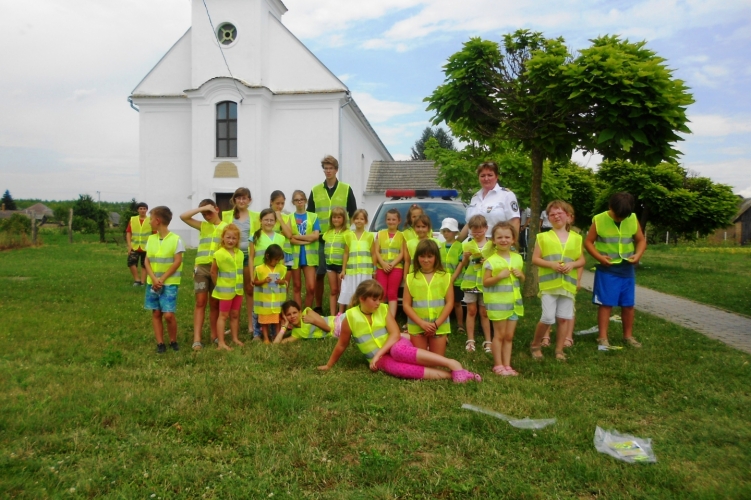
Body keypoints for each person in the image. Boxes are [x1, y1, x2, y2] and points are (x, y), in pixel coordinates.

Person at [317, 280, 481, 383]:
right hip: (380, 359)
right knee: (398, 368)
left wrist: (378, 354)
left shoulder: (383, 309)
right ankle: (451, 375)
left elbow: (395, 334)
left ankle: (452, 363)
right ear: (362, 299)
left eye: (380, 299)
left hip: (394, 345)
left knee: (398, 351)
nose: (378, 303)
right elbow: (342, 344)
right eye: (374, 299)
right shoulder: (350, 317)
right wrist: (329, 365)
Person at [584, 192, 647, 348]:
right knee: (606, 304)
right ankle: (602, 337)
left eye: (623, 216)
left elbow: (640, 240)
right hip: (607, 269)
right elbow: (588, 242)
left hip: (627, 269)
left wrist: (638, 254)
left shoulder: (632, 218)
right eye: (617, 215)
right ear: (610, 207)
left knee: (628, 304)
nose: (620, 218)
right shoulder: (599, 220)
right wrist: (599, 257)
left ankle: (628, 336)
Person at [307, 155, 357, 313]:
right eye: (325, 168)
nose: (328, 171)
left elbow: (353, 212)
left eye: (331, 168)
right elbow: (310, 215)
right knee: (319, 274)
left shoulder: (346, 189)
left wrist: (347, 232)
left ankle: (343, 308)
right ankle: (318, 306)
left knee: (342, 275)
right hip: (321, 239)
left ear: (336, 170)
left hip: (341, 239)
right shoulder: (315, 190)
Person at [179, 200, 227, 350]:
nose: (207, 216)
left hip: (217, 269)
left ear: (217, 209)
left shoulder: (226, 227)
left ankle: (214, 335)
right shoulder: (203, 226)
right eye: (204, 214)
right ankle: (197, 339)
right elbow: (183, 217)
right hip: (201, 268)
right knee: (200, 302)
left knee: (214, 303)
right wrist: (202, 208)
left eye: (209, 213)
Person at [483, 222, 525, 375]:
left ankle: (507, 365)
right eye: (499, 237)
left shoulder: (518, 258)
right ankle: (498, 365)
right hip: (498, 304)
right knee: (499, 335)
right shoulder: (490, 261)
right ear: (493, 240)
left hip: (514, 303)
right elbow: (485, 283)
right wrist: (498, 277)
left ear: (513, 239)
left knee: (509, 336)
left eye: (507, 237)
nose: (503, 240)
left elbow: (522, 279)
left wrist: (521, 275)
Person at [143, 206, 184, 353]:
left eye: (151, 219)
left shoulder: (176, 240)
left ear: (158, 220)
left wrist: (162, 279)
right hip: (153, 283)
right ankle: (160, 343)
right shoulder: (151, 239)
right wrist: (154, 279)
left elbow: (177, 261)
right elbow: (147, 261)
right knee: (156, 313)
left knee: (168, 315)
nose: (149, 222)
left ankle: (173, 340)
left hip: (169, 283)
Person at [403, 240, 454, 356]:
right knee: (421, 361)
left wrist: (436, 325)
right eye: (422, 256)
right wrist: (422, 323)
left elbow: (450, 303)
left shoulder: (445, 277)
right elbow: (406, 305)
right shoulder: (410, 278)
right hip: (417, 326)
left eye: (430, 256)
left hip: (439, 327)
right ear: (417, 257)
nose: (426, 260)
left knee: (436, 360)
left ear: (436, 257)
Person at [222, 188, 259, 335]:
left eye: (244, 198)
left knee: (249, 290)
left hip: (249, 257)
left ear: (249, 200)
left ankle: (251, 324)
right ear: (234, 200)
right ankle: (233, 325)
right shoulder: (226, 215)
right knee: (232, 291)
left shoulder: (255, 216)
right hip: (232, 257)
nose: (242, 201)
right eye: (239, 198)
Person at [458, 161, 520, 241]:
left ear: (496, 177)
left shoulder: (507, 195)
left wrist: (513, 243)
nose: (486, 178)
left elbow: (515, 221)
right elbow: (469, 224)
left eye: (490, 175)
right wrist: (456, 243)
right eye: (482, 176)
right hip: (473, 243)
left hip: (496, 243)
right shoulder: (475, 197)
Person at [460, 214, 492, 353]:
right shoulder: (467, 245)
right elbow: (464, 264)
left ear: (486, 228)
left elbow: (497, 262)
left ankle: (488, 340)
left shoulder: (492, 245)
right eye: (474, 231)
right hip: (470, 283)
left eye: (480, 231)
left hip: (485, 284)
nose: (477, 234)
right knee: (471, 311)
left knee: (484, 312)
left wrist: (488, 262)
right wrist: (465, 258)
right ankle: (470, 339)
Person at [211, 224, 245, 350]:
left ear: (237, 240)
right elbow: (213, 272)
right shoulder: (219, 254)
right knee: (223, 315)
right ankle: (221, 342)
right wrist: (219, 286)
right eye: (228, 237)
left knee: (235, 314)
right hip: (225, 292)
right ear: (223, 238)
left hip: (238, 290)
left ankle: (235, 338)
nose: (231, 240)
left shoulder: (240, 254)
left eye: (234, 238)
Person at [339, 209, 376, 312]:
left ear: (366, 221)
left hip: (365, 271)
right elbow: (346, 253)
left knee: (364, 292)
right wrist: (343, 270)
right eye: (357, 218)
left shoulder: (369, 236)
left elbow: (373, 254)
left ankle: (363, 312)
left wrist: (374, 269)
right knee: (351, 292)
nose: (359, 221)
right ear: (353, 220)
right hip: (352, 271)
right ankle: (350, 313)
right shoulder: (348, 236)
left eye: (362, 219)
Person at [289, 190, 320, 309]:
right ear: (293, 202)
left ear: (305, 201)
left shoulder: (313, 216)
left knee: (311, 287)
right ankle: (298, 314)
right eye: (296, 200)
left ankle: (307, 312)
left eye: (301, 199)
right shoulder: (289, 217)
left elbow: (315, 236)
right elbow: (290, 238)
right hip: (295, 256)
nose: (299, 202)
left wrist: (298, 237)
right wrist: (307, 240)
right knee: (297, 286)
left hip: (309, 257)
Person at [374, 208, 406, 318]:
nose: (391, 222)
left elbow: (402, 253)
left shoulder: (402, 235)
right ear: (385, 220)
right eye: (389, 219)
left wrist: (392, 264)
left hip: (396, 267)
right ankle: (380, 317)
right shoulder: (380, 234)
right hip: (381, 267)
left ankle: (391, 318)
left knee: (392, 293)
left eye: (393, 219)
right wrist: (383, 264)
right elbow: (376, 251)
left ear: (399, 221)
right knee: (381, 292)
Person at [253, 244, 288, 343]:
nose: (277, 262)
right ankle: (266, 338)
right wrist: (264, 280)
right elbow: (255, 282)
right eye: (275, 259)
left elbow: (284, 281)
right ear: (268, 256)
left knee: (276, 321)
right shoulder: (259, 269)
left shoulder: (281, 268)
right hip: (264, 302)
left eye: (279, 260)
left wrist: (280, 281)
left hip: (276, 302)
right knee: (264, 321)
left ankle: (276, 336)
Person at [273, 300, 343, 344]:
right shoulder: (296, 333)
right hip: (338, 333)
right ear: (285, 317)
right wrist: (284, 326)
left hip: (339, 322)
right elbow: (276, 344)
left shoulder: (308, 312)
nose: (292, 316)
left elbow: (328, 329)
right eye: (288, 314)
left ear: (300, 312)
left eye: (295, 313)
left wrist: (312, 321)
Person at [322, 207, 350, 316]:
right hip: (330, 265)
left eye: (339, 217)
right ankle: (333, 315)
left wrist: (344, 269)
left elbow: (347, 251)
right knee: (333, 290)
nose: (336, 220)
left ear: (343, 219)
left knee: (342, 291)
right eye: (334, 217)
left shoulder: (347, 233)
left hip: (341, 266)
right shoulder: (328, 232)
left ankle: (341, 314)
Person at [440, 217, 466, 335]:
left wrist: (453, 277)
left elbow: (461, 263)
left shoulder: (460, 246)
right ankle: (442, 323)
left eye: (449, 231)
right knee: (443, 303)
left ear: (455, 232)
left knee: (457, 303)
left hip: (456, 281)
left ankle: (460, 324)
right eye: (444, 231)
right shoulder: (440, 246)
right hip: (442, 280)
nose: (446, 233)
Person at [126, 202, 152, 286]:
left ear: (147, 210)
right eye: (141, 209)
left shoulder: (150, 220)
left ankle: (142, 281)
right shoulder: (133, 219)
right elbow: (129, 233)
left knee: (145, 264)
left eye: (144, 209)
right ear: (138, 210)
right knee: (131, 262)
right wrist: (129, 245)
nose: (142, 210)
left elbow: (154, 233)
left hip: (146, 246)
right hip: (134, 246)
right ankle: (137, 279)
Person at [269, 190, 296, 267]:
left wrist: (280, 219)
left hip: (285, 253)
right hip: (271, 252)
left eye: (282, 203)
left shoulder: (286, 217)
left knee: (285, 275)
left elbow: (289, 235)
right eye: (277, 203)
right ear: (271, 202)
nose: (280, 206)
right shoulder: (266, 217)